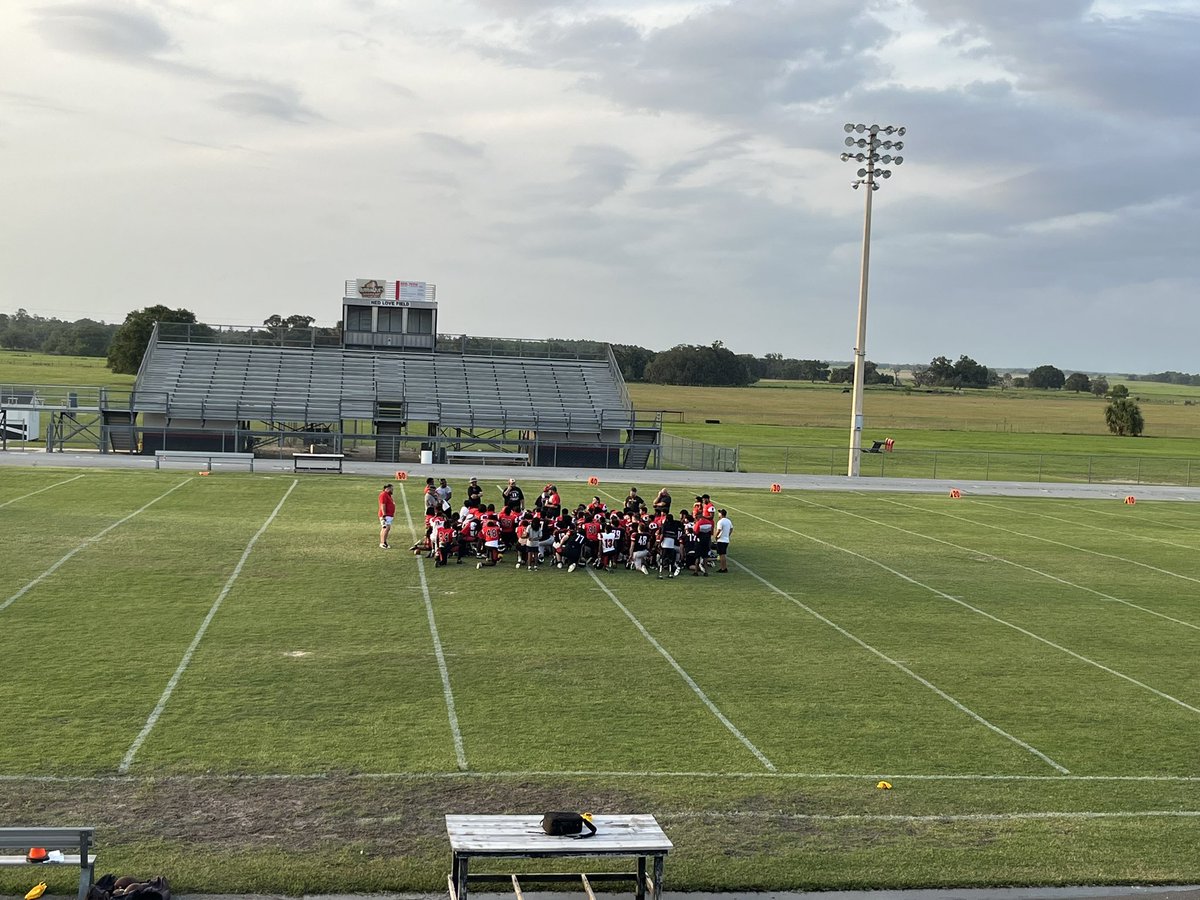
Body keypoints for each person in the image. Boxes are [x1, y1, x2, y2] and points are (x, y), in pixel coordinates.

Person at [714, 508, 732, 573]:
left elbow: (718, 530)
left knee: (722, 555)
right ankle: (724, 567)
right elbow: (731, 529)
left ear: (721, 514)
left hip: (721, 540)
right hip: (726, 540)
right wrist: (728, 535)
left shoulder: (720, 521)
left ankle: (723, 568)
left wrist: (716, 536)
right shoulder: (728, 521)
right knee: (723, 554)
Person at [378, 483, 395, 549]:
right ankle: (383, 542)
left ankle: (383, 542)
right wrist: (384, 514)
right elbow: (383, 505)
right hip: (386, 515)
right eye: (391, 489)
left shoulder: (387, 495)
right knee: (386, 528)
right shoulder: (383, 495)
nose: (392, 490)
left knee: (386, 528)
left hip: (388, 515)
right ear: (387, 489)